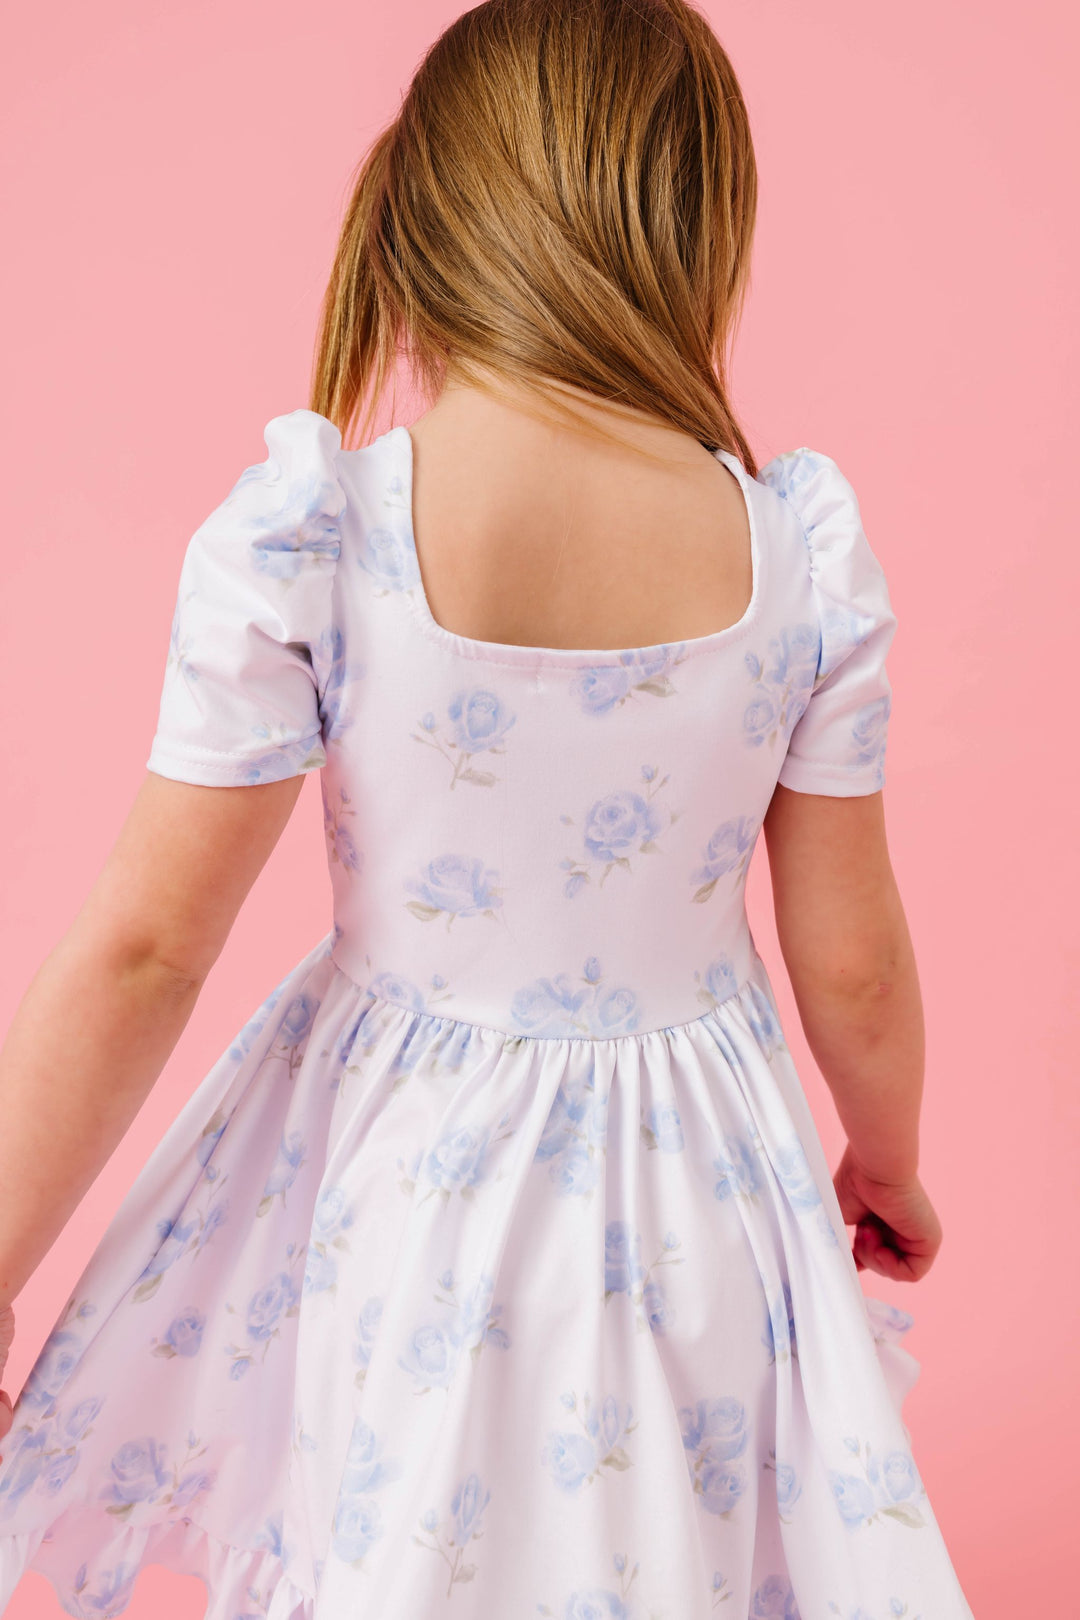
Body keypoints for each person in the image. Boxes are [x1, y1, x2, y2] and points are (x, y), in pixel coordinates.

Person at [0, 0, 976, 1615]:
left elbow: (146, 948)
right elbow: (854, 964)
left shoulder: (320, 533)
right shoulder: (798, 551)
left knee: (413, 1540)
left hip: (409, 1171)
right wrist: (887, 1159)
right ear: (697, 229)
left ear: (429, 214)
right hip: (700, 1180)